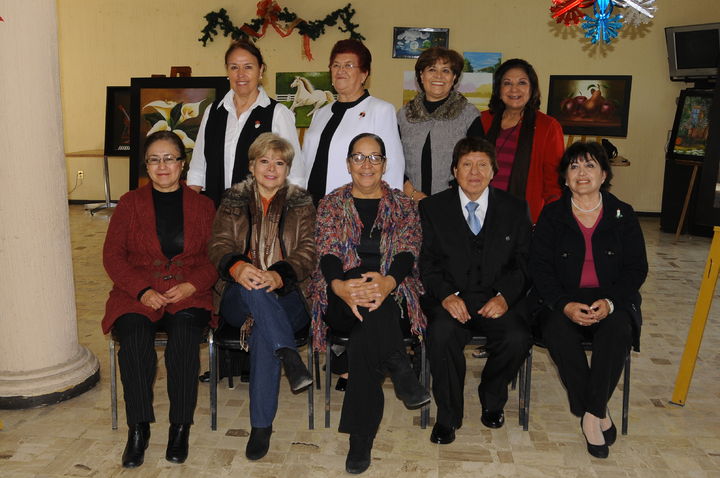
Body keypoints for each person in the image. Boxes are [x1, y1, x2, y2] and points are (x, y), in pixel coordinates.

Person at [308, 133, 429, 474]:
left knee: (366, 337)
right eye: (359, 157)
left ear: (385, 164)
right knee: (369, 300)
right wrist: (340, 286)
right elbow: (328, 252)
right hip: (340, 296)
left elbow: (408, 250)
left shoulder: (404, 205)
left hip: (393, 293)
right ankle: (399, 365)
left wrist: (387, 283)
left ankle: (360, 439)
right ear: (348, 164)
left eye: (375, 157)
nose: (367, 165)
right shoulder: (331, 203)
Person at [102, 131, 217, 468]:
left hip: (188, 292)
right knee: (135, 341)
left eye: (169, 158)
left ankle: (180, 427)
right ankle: (138, 429)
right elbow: (112, 256)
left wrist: (192, 286)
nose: (162, 166)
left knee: (184, 341)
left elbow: (217, 257)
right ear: (146, 166)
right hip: (138, 292)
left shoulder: (203, 206)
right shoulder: (129, 203)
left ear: (182, 164)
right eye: (154, 159)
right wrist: (142, 290)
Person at [529, 141, 647, 459]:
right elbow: (539, 268)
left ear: (604, 174)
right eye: (574, 166)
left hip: (612, 299)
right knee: (557, 331)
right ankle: (597, 412)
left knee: (617, 331)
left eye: (590, 165)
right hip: (562, 299)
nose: (582, 172)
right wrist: (564, 304)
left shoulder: (623, 214)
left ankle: (590, 415)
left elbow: (637, 268)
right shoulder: (552, 215)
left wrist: (610, 303)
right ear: (565, 178)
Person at [208, 133, 316, 461]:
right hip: (237, 295)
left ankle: (261, 426)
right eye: (264, 161)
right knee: (253, 287)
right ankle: (289, 355)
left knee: (263, 332)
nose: (271, 169)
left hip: (290, 297)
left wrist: (278, 275)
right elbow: (218, 244)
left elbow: (309, 250)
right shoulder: (233, 200)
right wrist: (239, 267)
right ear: (252, 166)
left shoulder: (302, 203)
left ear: (287, 169)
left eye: (279, 163)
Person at [419, 136, 532, 445]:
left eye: (483, 165)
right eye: (466, 164)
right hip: (450, 298)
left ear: (493, 171)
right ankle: (448, 415)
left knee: (517, 337)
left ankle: (492, 396)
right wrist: (446, 296)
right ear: (454, 170)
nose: (474, 172)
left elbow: (524, 262)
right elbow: (426, 262)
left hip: (496, 298)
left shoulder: (515, 208)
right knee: (441, 334)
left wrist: (505, 297)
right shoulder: (432, 208)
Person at [188, 40, 305, 207]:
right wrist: (189, 209)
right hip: (217, 213)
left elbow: (295, 174)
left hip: (261, 215)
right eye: (234, 67)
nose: (240, 74)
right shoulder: (212, 112)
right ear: (227, 71)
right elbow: (198, 169)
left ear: (261, 70)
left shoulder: (277, 114)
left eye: (248, 67)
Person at [302, 39, 404, 206]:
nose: (340, 70)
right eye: (336, 65)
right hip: (311, 207)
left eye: (348, 65)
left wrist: (389, 211)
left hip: (354, 210)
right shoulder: (320, 113)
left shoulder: (381, 110)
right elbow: (305, 163)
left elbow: (393, 167)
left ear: (364, 74)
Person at [480, 58, 564, 223]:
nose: (514, 89)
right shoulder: (482, 120)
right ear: (498, 89)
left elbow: (554, 183)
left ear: (532, 88)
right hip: (480, 214)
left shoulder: (548, 127)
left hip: (524, 219)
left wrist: (552, 221)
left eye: (522, 83)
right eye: (507, 83)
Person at [397, 47, 483, 201]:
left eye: (446, 70)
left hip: (454, 201)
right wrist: (411, 192)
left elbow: (480, 160)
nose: (438, 76)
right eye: (432, 69)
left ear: (454, 77)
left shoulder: (468, 115)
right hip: (408, 201)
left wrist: (456, 191)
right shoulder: (404, 115)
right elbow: (392, 159)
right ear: (421, 75)